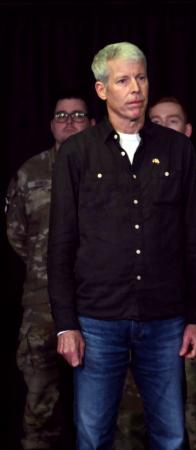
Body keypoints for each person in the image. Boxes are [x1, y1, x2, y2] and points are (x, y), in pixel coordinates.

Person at [47, 41, 196, 450]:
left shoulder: (178, 150)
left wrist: (195, 316)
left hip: (165, 318)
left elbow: (193, 238)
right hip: (98, 319)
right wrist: (66, 323)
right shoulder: (76, 154)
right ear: (102, 90)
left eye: (141, 77)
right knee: (93, 435)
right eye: (123, 80)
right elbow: (62, 243)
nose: (135, 88)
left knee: (170, 436)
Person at [114, 96, 196, 450]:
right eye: (157, 120)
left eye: (174, 121)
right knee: (131, 413)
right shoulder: (126, 177)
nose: (166, 127)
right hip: (138, 316)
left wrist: (186, 299)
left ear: (188, 130)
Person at [6, 93, 94, 450]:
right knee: (40, 399)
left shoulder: (109, 166)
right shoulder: (31, 172)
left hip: (98, 299)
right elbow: (15, 231)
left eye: (77, 115)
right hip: (42, 302)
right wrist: (46, 267)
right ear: (51, 124)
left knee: (112, 400)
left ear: (90, 123)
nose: (69, 121)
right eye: (61, 115)